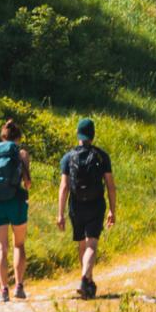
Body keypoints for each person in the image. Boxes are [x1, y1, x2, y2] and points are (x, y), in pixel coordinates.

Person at [56, 114, 116, 297]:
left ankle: (87, 282)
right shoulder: (102, 156)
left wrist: (60, 213)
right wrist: (112, 210)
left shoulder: (68, 157)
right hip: (96, 205)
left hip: (76, 206)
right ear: (93, 135)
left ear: (78, 134)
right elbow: (110, 186)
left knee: (82, 244)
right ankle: (85, 279)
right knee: (92, 244)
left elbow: (64, 187)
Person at [0, 114, 31, 301]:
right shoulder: (22, 154)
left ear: (2, 136)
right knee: (19, 244)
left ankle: (3, 290)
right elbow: (27, 183)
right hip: (16, 202)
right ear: (18, 138)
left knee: (1, 248)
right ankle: (19, 286)